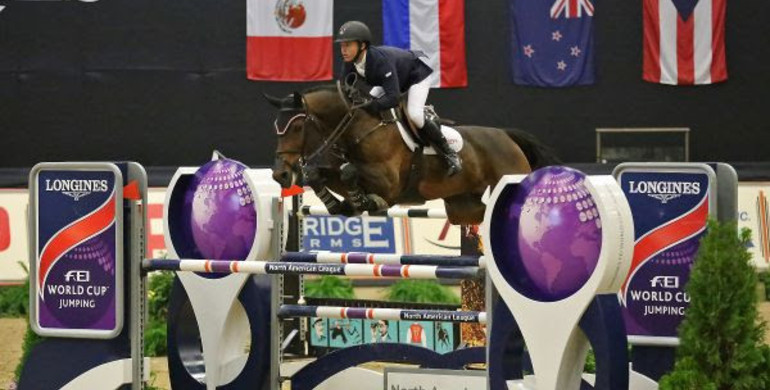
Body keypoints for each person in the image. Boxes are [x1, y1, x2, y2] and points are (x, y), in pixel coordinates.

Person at [335, 20, 462, 176]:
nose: (343, 50)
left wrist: (370, 106)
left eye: (347, 45)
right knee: (368, 104)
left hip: (416, 76)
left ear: (362, 46)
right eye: (341, 45)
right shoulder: (349, 63)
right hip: (392, 79)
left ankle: (450, 153)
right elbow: (343, 91)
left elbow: (393, 98)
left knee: (414, 114)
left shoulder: (380, 61)